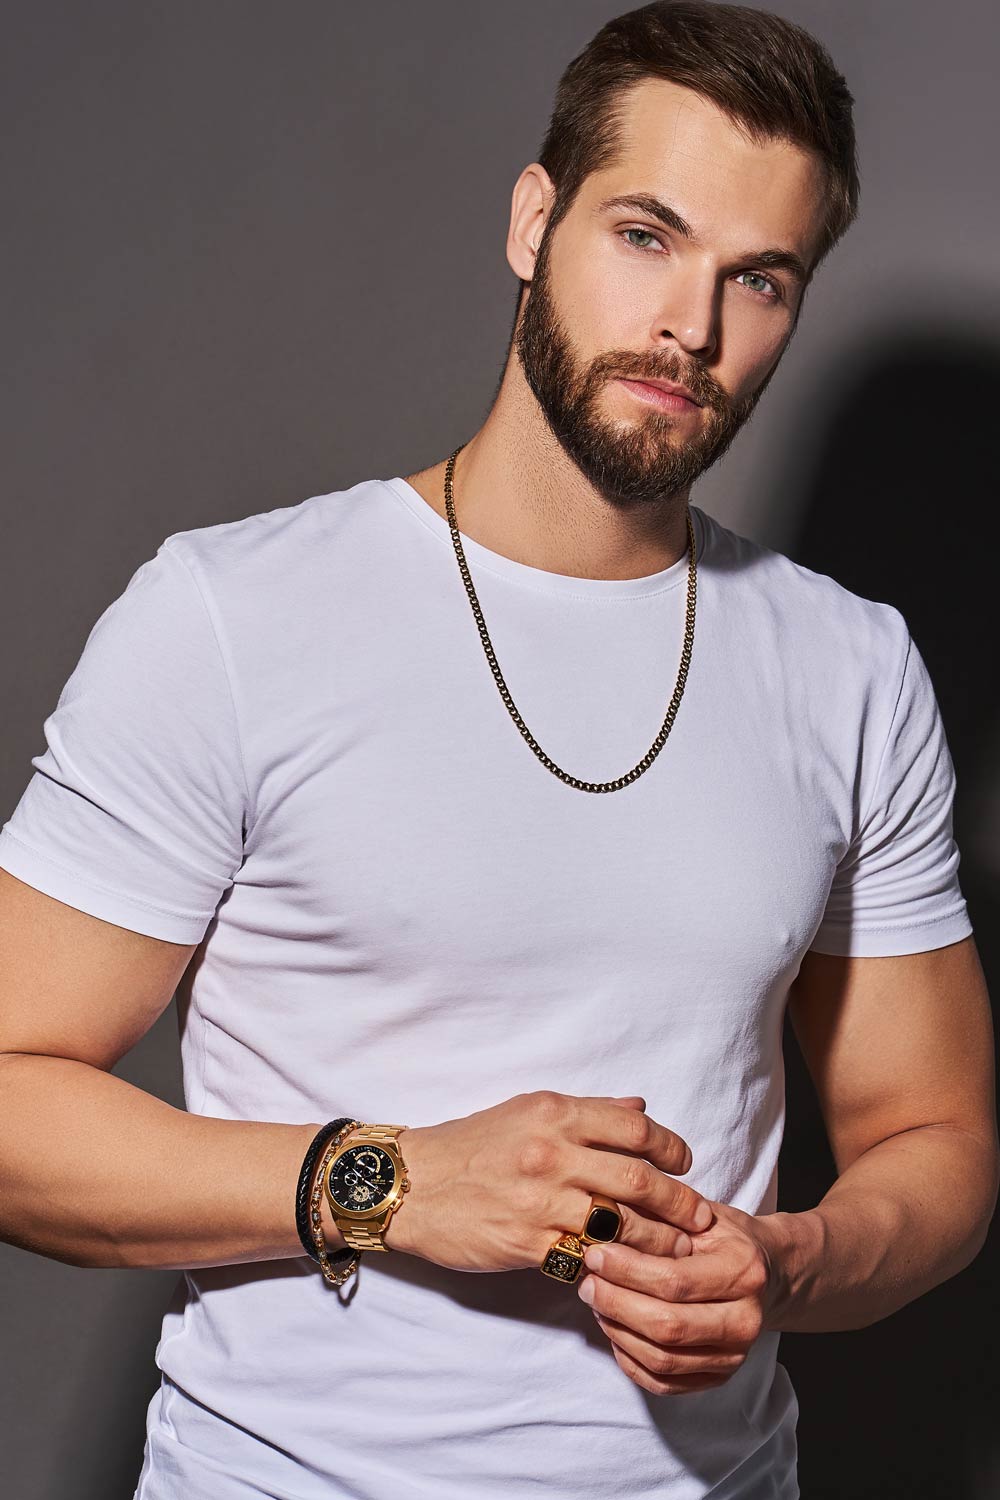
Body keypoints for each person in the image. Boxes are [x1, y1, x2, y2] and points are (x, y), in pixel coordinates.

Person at [0, 2, 996, 1496]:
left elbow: (936, 1137)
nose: (692, 328)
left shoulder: (848, 668)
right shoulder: (235, 616)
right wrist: (391, 1181)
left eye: (759, 280)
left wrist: (789, 1262)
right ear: (536, 221)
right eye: (646, 236)